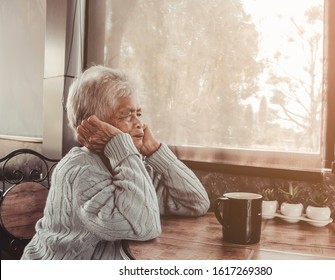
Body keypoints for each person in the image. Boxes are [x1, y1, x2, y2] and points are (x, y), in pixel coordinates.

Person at [21, 65, 210, 260]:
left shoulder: (131, 167)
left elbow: (197, 203)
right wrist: (122, 146)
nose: (140, 124)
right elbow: (144, 227)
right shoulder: (79, 169)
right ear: (94, 124)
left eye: (138, 114)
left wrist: (155, 151)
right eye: (126, 115)